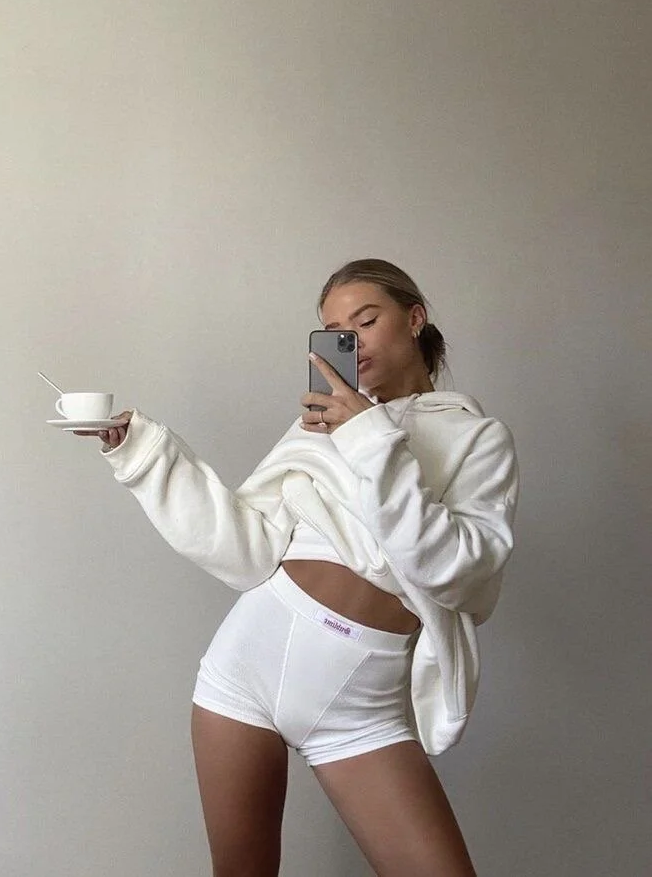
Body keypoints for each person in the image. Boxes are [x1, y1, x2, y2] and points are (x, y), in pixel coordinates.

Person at [76, 258, 519, 876]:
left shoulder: (478, 439)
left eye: (366, 321)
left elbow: (456, 569)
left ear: (414, 318)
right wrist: (145, 455)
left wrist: (368, 436)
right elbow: (247, 548)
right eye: (335, 332)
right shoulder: (316, 427)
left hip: (361, 701)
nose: (352, 341)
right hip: (245, 668)